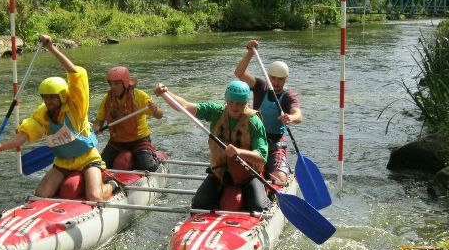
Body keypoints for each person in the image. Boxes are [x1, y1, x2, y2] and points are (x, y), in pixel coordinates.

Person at [0, 34, 115, 201]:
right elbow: (24, 135)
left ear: (61, 96)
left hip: (88, 159)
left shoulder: (76, 106)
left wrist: (51, 48)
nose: (47, 101)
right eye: (45, 97)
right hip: (63, 162)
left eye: (51, 97)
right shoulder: (43, 113)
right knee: (41, 195)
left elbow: (75, 73)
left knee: (94, 196)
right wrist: (1, 147)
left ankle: (112, 184)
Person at [154, 80, 269, 212]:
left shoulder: (254, 122)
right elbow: (185, 106)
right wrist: (165, 93)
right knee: (198, 204)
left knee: (258, 208)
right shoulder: (216, 111)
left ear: (246, 102)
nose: (234, 106)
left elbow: (262, 157)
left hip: (247, 175)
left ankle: (267, 199)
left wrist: (239, 152)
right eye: (231, 102)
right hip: (219, 173)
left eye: (239, 103)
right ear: (226, 100)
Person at [234, 39, 302, 183]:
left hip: (274, 143)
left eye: (280, 79)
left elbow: (298, 115)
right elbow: (239, 73)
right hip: (253, 139)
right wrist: (250, 53)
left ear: (286, 79)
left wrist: (291, 117)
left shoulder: (289, 95)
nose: (276, 83)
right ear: (268, 76)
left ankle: (279, 174)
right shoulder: (261, 86)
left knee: (279, 179)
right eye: (273, 78)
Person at [93, 67, 163, 171]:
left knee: (148, 167)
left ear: (125, 83)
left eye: (116, 83)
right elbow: (99, 120)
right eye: (111, 83)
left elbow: (159, 115)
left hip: (139, 140)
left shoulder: (139, 96)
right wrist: (97, 126)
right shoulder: (107, 99)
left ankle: (156, 158)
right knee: (101, 166)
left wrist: (155, 109)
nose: (113, 87)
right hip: (117, 141)